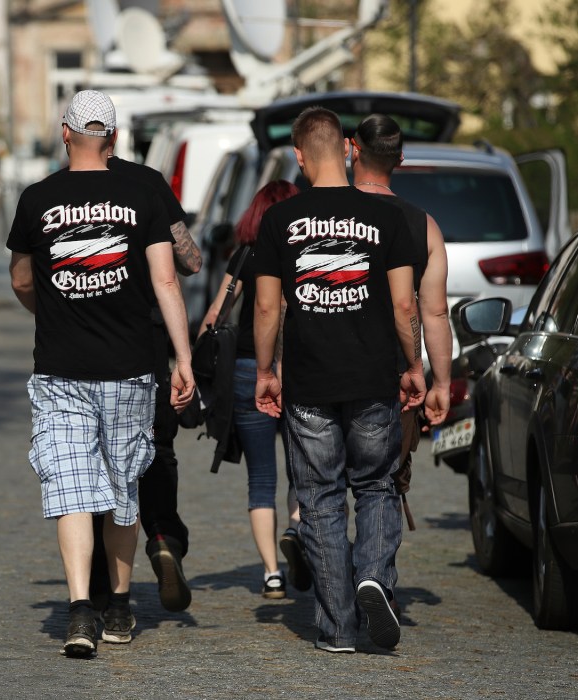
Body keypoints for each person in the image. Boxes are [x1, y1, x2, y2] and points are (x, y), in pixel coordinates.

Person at [7, 90, 195, 658]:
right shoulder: (142, 191)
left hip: (61, 369)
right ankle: (117, 603)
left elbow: (19, 279)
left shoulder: (38, 197)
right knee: (121, 490)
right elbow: (168, 280)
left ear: (65, 133)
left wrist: (55, 308)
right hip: (131, 368)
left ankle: (79, 611)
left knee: (70, 491)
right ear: (113, 138)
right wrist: (183, 359)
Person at [253, 106, 425, 653]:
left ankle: (337, 628)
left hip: (309, 384)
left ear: (299, 157)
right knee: (375, 485)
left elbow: (265, 309)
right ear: (348, 149)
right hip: (373, 378)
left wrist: (265, 371)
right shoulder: (388, 218)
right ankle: (374, 574)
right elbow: (405, 304)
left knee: (322, 498)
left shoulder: (279, 221)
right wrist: (414, 366)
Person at [88, 148, 202, 615]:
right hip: (150, 336)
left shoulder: (61, 187)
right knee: (155, 445)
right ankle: (163, 537)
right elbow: (190, 261)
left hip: (86, 336)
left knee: (93, 453)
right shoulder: (148, 182)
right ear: (114, 135)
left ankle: (99, 580)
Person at [198, 180, 312, 598]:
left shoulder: (246, 254)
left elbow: (216, 312)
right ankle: (297, 530)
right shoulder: (305, 254)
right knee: (305, 469)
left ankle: (271, 573)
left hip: (246, 371)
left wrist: (195, 359)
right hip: (300, 372)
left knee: (260, 478)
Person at [351, 114, 453, 519]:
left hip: (322, 368)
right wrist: (440, 382)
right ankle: (373, 576)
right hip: (392, 378)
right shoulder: (423, 225)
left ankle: (302, 532)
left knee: (320, 482)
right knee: (382, 484)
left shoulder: (323, 211)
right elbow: (434, 311)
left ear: (353, 149)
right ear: (400, 160)